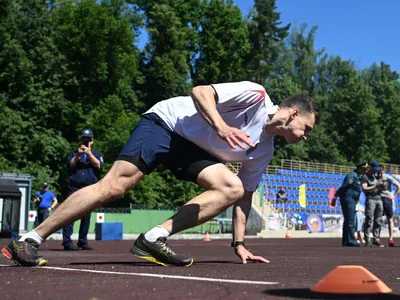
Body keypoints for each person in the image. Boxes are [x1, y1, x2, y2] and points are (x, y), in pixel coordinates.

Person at [1, 81, 319, 267]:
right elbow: (200, 92)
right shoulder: (256, 95)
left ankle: (153, 238)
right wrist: (222, 127)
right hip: (165, 124)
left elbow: (246, 195)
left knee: (232, 187)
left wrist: (239, 243)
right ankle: (28, 239)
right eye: (306, 128)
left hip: (190, 149)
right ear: (293, 113)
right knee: (115, 186)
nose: (305, 136)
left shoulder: (264, 150)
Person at [62, 129, 104, 251]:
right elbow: (70, 165)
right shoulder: (73, 154)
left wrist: (89, 153)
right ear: (80, 141)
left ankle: (82, 241)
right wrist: (79, 154)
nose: (86, 142)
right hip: (74, 187)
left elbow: (99, 166)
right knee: (70, 214)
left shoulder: (97, 154)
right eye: (84, 140)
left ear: (92, 141)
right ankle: (67, 242)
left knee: (86, 216)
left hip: (90, 188)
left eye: (88, 140)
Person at [334, 162, 368, 247]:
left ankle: (346, 240)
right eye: (364, 169)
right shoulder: (352, 175)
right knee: (350, 220)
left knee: (348, 220)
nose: (365, 171)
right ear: (359, 168)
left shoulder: (357, 176)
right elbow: (345, 186)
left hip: (351, 199)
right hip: (348, 199)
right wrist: (336, 195)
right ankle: (351, 240)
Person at [362, 161, 384, 247]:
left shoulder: (376, 177)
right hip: (370, 199)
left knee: (378, 220)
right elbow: (364, 188)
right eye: (375, 169)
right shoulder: (365, 177)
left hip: (379, 199)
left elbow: (381, 189)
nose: (376, 171)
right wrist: (375, 186)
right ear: (371, 168)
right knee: (369, 220)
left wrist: (382, 186)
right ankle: (367, 239)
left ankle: (376, 239)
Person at [378, 165, 400, 247]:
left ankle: (391, 238)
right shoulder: (375, 177)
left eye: (381, 173)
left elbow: (398, 185)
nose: (379, 175)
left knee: (390, 218)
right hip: (379, 198)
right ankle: (377, 238)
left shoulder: (388, 177)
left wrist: (394, 195)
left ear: (383, 171)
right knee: (378, 219)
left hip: (387, 198)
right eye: (378, 173)